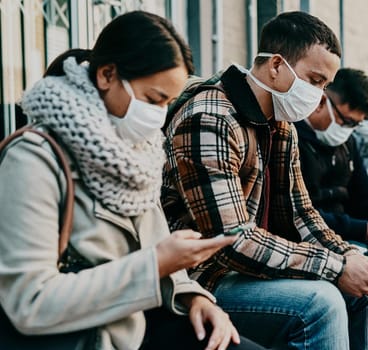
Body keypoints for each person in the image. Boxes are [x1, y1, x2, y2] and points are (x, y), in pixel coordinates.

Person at [0, 11, 265, 350]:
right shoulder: (34, 158)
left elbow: (154, 245)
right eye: (153, 99)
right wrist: (156, 264)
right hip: (86, 337)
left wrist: (194, 299)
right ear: (107, 74)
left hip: (138, 325)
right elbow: (30, 302)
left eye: (168, 103)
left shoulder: (139, 151)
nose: (158, 115)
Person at [162, 11, 368, 350]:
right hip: (203, 280)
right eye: (315, 80)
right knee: (321, 303)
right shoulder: (210, 118)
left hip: (249, 270)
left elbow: (301, 212)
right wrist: (336, 267)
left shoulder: (280, 122)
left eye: (325, 85)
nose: (319, 96)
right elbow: (231, 240)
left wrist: (351, 257)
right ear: (276, 66)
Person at [294, 68, 368, 247]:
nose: (348, 130)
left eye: (356, 124)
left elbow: (365, 194)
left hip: (349, 239)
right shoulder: (290, 141)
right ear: (321, 103)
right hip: (310, 244)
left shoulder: (347, 143)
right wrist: (366, 229)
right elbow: (298, 215)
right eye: (347, 122)